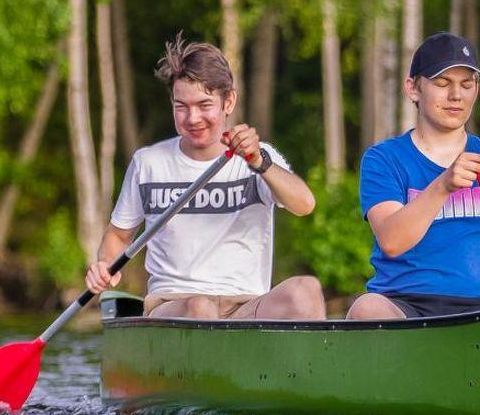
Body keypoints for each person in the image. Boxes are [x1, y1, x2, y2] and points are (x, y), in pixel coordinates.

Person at [84, 36, 326, 320]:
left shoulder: (259, 157)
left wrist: (259, 162)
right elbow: (118, 235)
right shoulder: (148, 163)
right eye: (181, 106)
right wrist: (105, 265)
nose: (193, 117)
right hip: (173, 304)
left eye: (204, 104)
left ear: (229, 101)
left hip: (245, 307)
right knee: (201, 306)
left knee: (306, 290)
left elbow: (304, 204)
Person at [347, 32, 480, 320]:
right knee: (367, 308)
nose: (456, 95)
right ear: (413, 89)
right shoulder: (384, 159)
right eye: (442, 83)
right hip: (403, 307)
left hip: (476, 314)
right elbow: (392, 241)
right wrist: (443, 186)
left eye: (466, 84)